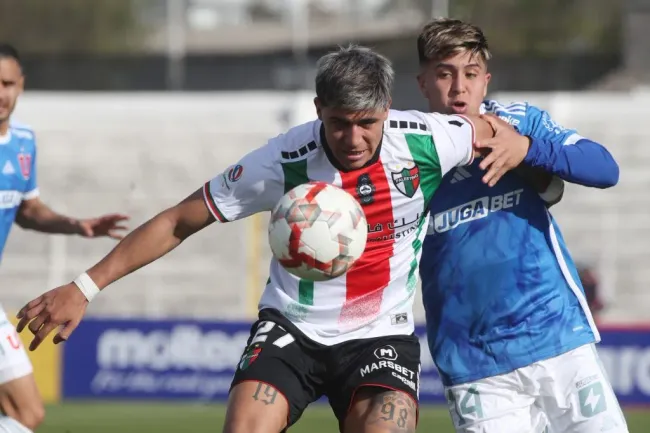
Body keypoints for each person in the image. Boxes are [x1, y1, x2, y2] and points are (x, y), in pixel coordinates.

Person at [15, 45, 520, 433]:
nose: (353, 138)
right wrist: (84, 287)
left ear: (386, 109)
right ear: (320, 108)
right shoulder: (282, 160)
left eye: (367, 123)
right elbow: (178, 221)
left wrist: (520, 143)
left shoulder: (431, 138)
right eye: (339, 123)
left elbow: (497, 128)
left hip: (379, 332)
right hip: (292, 328)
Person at [415, 18, 627, 433]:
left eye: (471, 74)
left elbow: (605, 168)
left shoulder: (519, 121)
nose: (459, 88)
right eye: (444, 74)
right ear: (423, 82)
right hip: (477, 366)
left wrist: (527, 149)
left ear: (486, 82)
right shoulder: (406, 152)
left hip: (559, 338)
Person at [0, 43, 129, 433]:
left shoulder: (23, 142)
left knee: (27, 415)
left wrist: (76, 225)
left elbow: (27, 209)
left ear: (21, 85)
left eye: (7, 83)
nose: (0, 93)